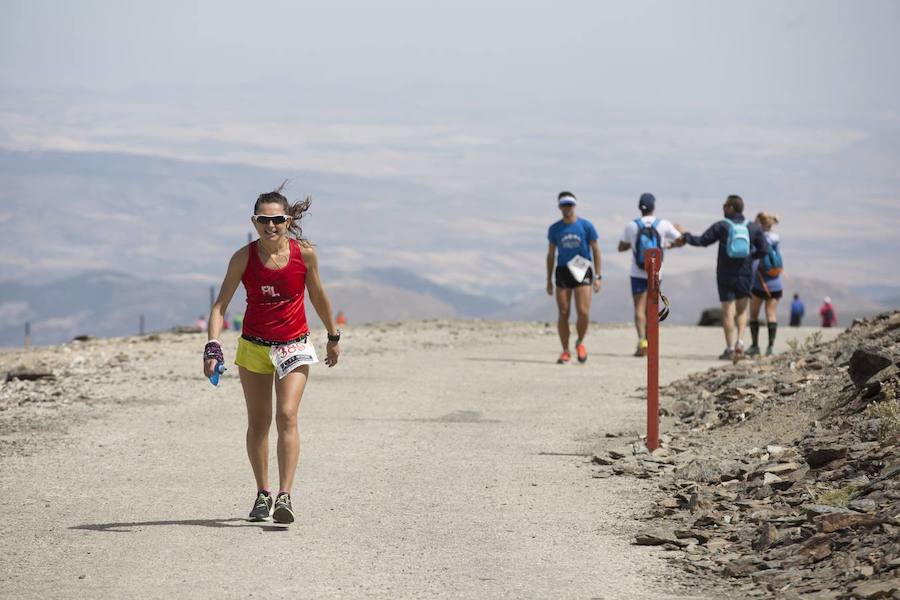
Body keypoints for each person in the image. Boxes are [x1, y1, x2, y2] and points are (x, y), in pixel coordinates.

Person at [203, 182, 341, 525]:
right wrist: (212, 345)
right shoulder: (243, 258)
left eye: (277, 220)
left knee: (288, 415)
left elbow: (319, 296)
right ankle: (262, 493)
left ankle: (285, 496)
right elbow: (220, 305)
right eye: (263, 220)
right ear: (254, 222)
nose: (271, 226)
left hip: (293, 345)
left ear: (288, 220)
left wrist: (334, 335)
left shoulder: (304, 254)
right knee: (259, 422)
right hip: (254, 347)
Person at [677, 195, 768, 360]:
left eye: (725, 205)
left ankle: (729, 348)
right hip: (745, 274)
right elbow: (764, 249)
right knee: (742, 311)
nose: (723, 207)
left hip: (725, 275)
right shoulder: (753, 227)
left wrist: (685, 235)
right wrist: (750, 257)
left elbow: (702, 241)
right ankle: (740, 343)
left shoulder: (722, 226)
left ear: (731, 207)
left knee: (728, 312)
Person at [617, 193, 684, 356]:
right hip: (655, 272)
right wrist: (669, 244)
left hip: (637, 272)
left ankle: (642, 340)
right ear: (654, 207)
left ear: (639, 207)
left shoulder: (631, 226)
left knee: (639, 308)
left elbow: (621, 247)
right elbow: (681, 240)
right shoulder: (664, 224)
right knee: (651, 308)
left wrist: (631, 245)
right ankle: (651, 340)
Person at [546, 191, 602, 364]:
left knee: (583, 311)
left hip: (582, 268)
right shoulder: (555, 229)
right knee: (563, 312)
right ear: (559, 206)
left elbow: (596, 250)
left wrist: (598, 276)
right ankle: (565, 350)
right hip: (563, 269)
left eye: (570, 204)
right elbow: (551, 254)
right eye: (564, 205)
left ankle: (580, 342)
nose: (567, 208)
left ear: (575, 205)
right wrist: (548, 279)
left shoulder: (586, 226)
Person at [747, 212, 782, 356]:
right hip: (776, 285)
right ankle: (771, 347)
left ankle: (755, 346)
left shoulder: (758, 240)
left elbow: (755, 264)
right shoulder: (775, 241)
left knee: (754, 315)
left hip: (759, 285)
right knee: (771, 315)